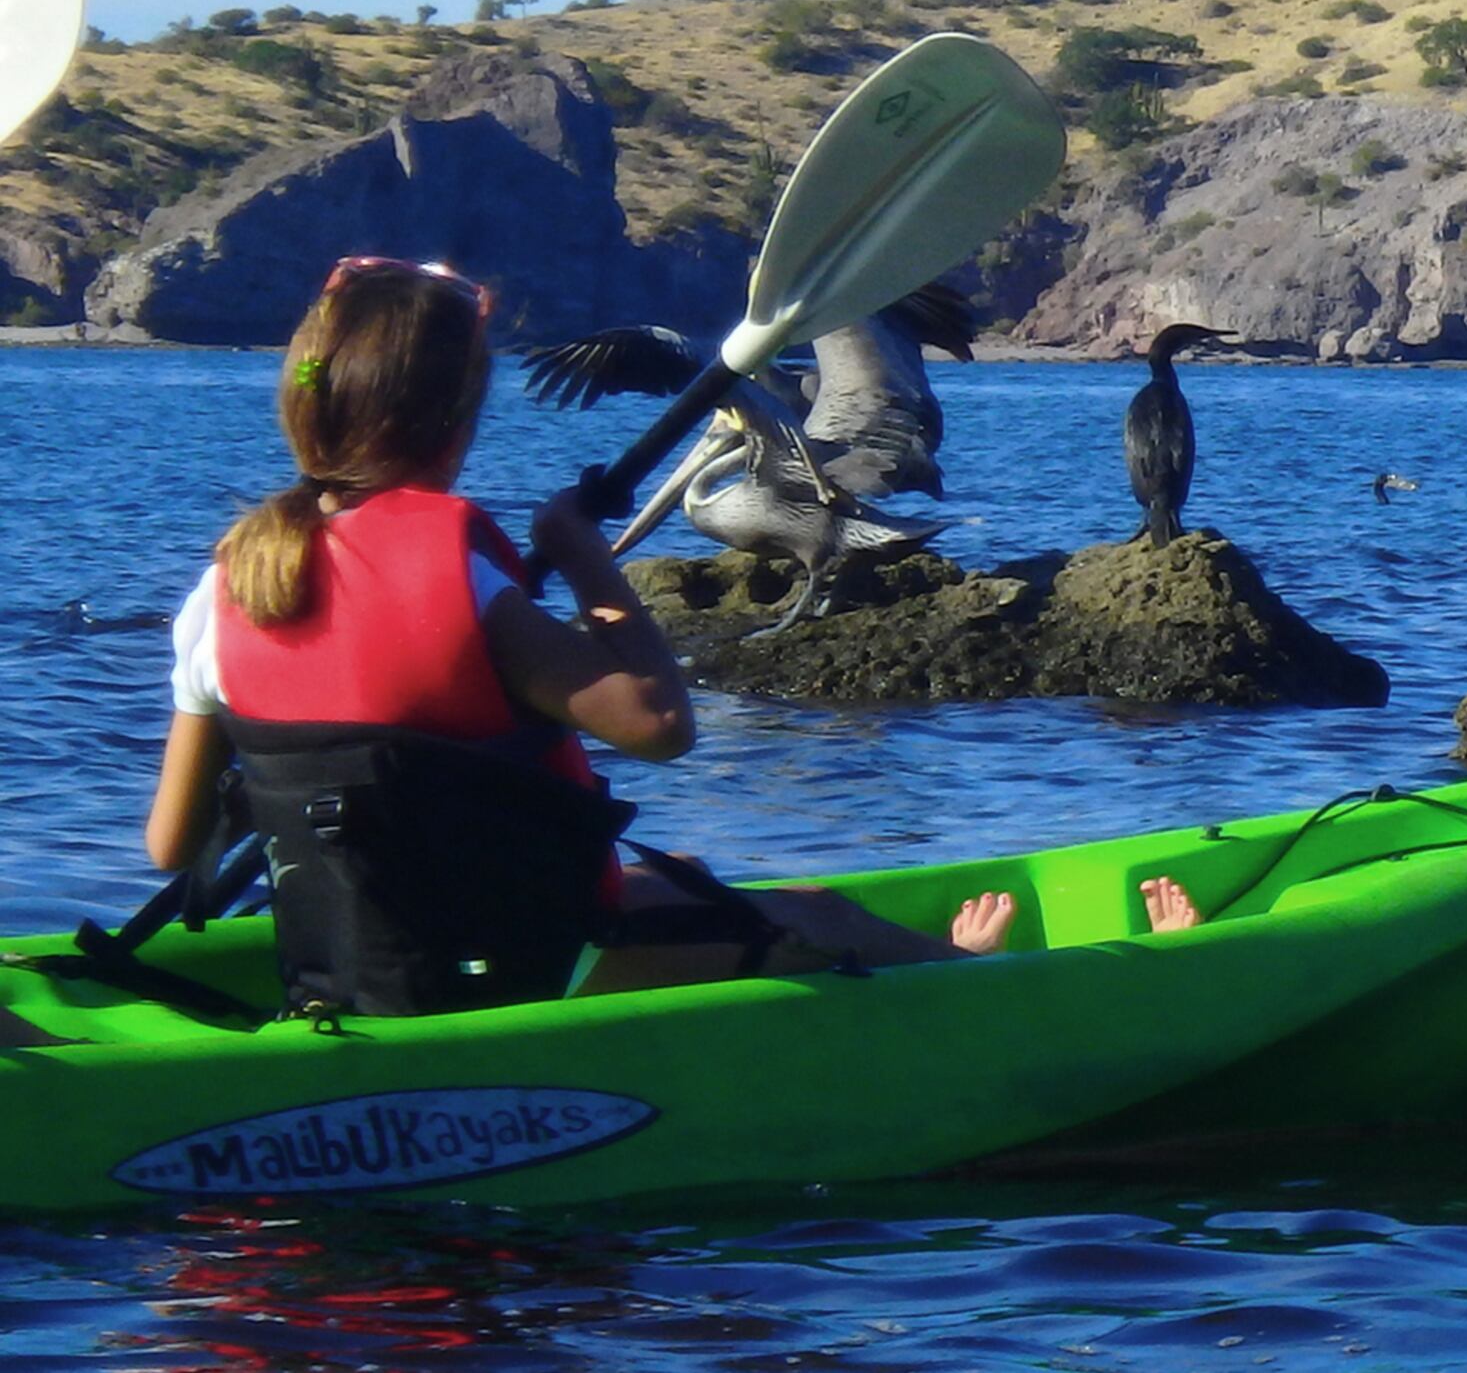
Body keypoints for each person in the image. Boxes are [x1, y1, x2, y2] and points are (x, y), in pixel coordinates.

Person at [136, 259, 1201, 1015]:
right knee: (822, 913)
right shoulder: (459, 568)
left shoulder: (222, 589)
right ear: (461, 419)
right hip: (525, 973)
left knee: (675, 870)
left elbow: (173, 850)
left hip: (351, 970)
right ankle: (995, 992)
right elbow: (658, 728)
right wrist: (587, 557)